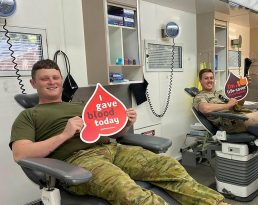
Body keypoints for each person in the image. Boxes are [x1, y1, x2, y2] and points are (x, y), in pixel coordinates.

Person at [10, 59, 230, 205]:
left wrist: (125, 123)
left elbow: (113, 134)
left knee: (169, 166)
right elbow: (21, 153)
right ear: (33, 83)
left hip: (113, 149)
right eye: (44, 78)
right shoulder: (30, 115)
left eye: (55, 77)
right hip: (79, 161)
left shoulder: (80, 105)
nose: (52, 82)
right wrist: (64, 134)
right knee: (127, 189)